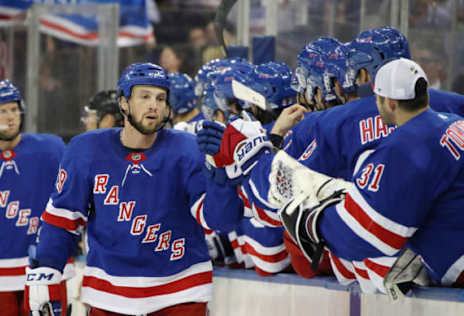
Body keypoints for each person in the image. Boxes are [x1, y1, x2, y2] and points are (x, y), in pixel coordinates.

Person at [25, 63, 242, 316]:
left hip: (180, 295)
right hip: (110, 298)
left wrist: (221, 177)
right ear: (124, 103)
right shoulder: (86, 150)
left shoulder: (188, 149)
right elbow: (62, 219)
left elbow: (219, 220)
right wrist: (48, 271)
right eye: (145, 96)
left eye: (160, 98)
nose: (154, 105)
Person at [280, 58, 464, 294]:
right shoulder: (454, 122)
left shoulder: (405, 144)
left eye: (376, 98)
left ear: (389, 102)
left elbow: (363, 235)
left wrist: (312, 223)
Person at [0, 79, 67, 315]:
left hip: (45, 270)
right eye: (1, 111)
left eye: (14, 109)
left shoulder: (52, 149)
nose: (10, 116)